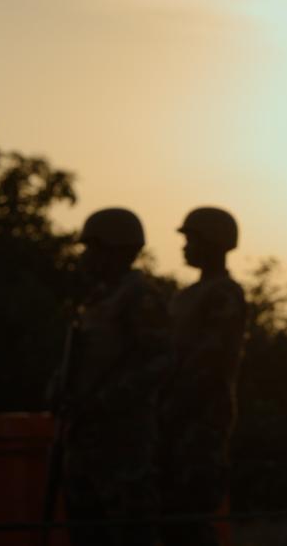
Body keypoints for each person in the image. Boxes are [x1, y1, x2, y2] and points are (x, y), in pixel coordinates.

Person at [51, 207, 172, 546]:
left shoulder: (140, 297)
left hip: (123, 442)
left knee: (130, 531)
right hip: (85, 440)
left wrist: (108, 399)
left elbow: (161, 361)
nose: (87, 257)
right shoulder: (98, 300)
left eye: (94, 248)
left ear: (117, 250)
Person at [158, 207, 247, 546]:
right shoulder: (185, 297)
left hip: (200, 419)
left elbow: (209, 362)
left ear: (212, 243)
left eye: (191, 239)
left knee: (192, 516)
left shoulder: (224, 293)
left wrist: (173, 405)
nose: (184, 246)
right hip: (173, 418)